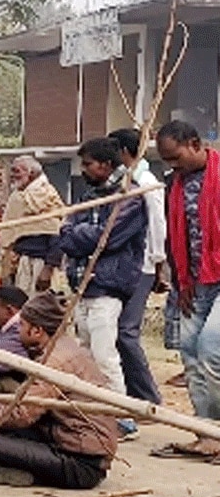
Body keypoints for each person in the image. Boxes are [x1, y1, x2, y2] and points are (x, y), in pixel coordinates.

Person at [0, 293, 117, 489]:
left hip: (81, 463)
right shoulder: (62, 346)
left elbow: (22, 414)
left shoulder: (53, 361)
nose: (18, 330)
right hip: (64, 438)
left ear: (36, 331)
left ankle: (26, 475)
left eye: (21, 325)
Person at [61, 138, 148, 401]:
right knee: (86, 355)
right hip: (83, 286)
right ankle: (93, 412)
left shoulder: (129, 196)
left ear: (106, 165)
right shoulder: (88, 196)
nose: (83, 170)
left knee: (104, 356)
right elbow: (64, 236)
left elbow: (107, 237)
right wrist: (81, 235)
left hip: (107, 286)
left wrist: (80, 234)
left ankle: (119, 414)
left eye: (88, 164)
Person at [155, 121, 220, 453]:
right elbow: (174, 237)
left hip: (219, 277)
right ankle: (204, 432)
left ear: (195, 144)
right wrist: (181, 281)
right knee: (190, 353)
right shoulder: (174, 185)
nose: (172, 165)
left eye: (175, 157)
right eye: (166, 161)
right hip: (193, 282)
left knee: (211, 349)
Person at [108, 127, 166, 405]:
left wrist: (157, 263)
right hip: (127, 264)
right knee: (118, 331)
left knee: (126, 332)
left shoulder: (145, 181)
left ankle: (147, 396)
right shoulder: (124, 180)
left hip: (142, 263)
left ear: (123, 152)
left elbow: (157, 224)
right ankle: (134, 392)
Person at [0, 156, 65, 296]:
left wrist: (48, 268)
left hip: (42, 262)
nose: (12, 176)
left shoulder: (47, 195)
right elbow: (9, 235)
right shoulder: (17, 197)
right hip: (21, 261)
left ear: (32, 174)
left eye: (17, 171)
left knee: (40, 306)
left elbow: (57, 233)